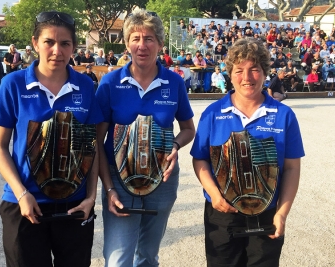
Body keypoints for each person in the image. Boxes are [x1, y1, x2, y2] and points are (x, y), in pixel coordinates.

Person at [0, 11, 103, 266]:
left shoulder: (85, 86)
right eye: (49, 42)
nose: (57, 51)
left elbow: (91, 148)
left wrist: (91, 197)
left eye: (65, 44)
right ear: (36, 43)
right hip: (24, 205)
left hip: (74, 206)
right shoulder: (13, 84)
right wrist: (21, 194)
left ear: (74, 46)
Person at [191, 38, 304, 267]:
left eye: (254, 69)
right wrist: (214, 194)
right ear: (230, 74)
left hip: (267, 211)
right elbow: (200, 159)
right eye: (239, 70)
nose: (246, 77)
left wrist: (282, 213)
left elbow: (292, 168)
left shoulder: (284, 115)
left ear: (265, 73)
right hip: (222, 212)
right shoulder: (212, 113)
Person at [96, 9, 195, 267]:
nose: (142, 45)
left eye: (149, 38)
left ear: (160, 44)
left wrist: (175, 145)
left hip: (162, 181)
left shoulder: (174, 83)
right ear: (127, 43)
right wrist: (107, 188)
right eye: (136, 38)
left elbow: (188, 129)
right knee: (118, 259)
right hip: (118, 181)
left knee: (148, 257)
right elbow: (96, 142)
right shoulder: (109, 83)